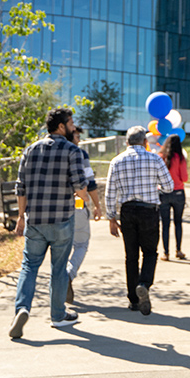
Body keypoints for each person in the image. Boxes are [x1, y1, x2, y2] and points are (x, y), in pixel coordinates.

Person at [10, 107, 94, 338]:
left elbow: (21, 187)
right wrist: (85, 198)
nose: (73, 128)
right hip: (61, 221)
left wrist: (21, 216)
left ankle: (22, 309)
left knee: (29, 266)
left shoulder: (30, 150)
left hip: (35, 221)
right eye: (71, 123)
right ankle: (57, 316)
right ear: (61, 126)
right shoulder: (72, 150)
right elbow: (80, 186)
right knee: (58, 268)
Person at [104, 126, 174, 316]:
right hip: (148, 210)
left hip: (127, 212)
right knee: (150, 252)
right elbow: (169, 186)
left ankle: (133, 300)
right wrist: (154, 186)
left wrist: (111, 217)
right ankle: (144, 284)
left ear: (127, 142)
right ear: (145, 142)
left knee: (131, 256)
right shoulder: (154, 159)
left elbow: (110, 193)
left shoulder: (116, 161)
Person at [66, 126, 102, 304]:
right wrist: (97, 205)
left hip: (54, 206)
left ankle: (58, 285)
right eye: (77, 136)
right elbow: (91, 183)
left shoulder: (50, 152)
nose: (79, 140)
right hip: (77, 201)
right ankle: (69, 274)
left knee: (61, 247)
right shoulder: (80, 154)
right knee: (81, 243)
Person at [158, 134, 189, 262]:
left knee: (165, 224)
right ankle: (178, 250)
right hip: (178, 193)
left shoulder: (161, 157)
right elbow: (185, 178)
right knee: (178, 222)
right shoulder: (180, 158)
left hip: (163, 193)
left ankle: (166, 252)